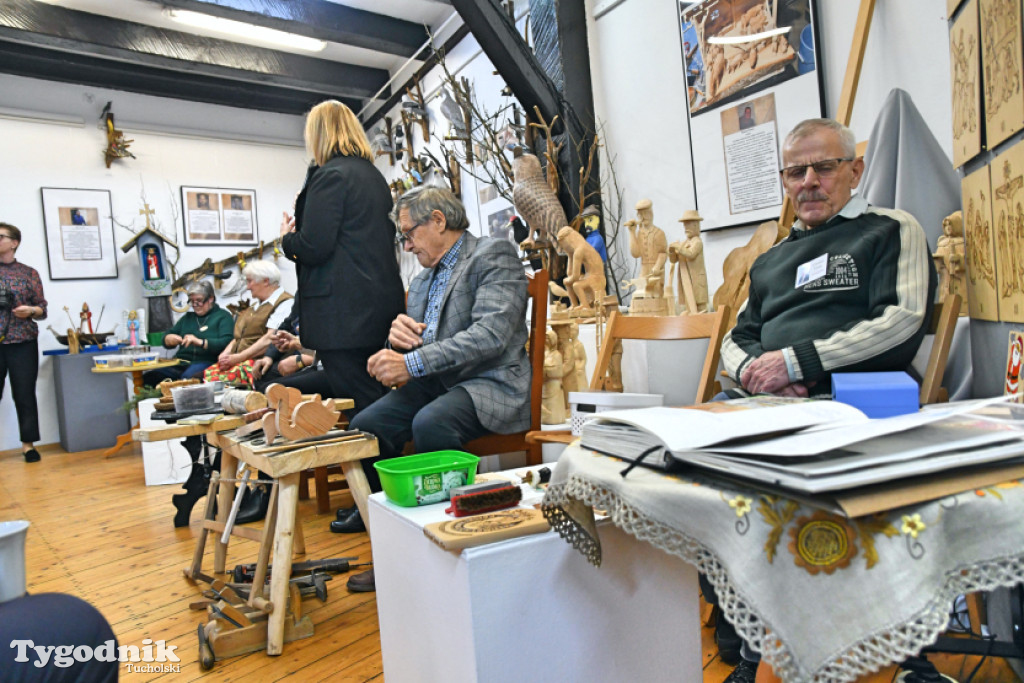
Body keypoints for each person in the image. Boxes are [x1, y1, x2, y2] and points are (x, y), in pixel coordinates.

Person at [715, 118, 935, 682]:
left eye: (824, 167)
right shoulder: (769, 260)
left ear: (855, 171)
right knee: (702, 474)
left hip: (854, 403)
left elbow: (903, 321)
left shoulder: (888, 230)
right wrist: (759, 376)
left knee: (809, 490)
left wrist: (795, 363)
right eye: (796, 171)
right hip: (768, 404)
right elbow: (734, 344)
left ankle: (903, 654)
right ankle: (752, 641)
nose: (809, 181)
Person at [341, 186, 531, 592]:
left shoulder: (493, 255)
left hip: (489, 381)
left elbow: (490, 336)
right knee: (366, 428)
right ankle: (397, 551)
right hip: (440, 382)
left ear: (439, 221)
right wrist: (398, 339)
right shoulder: (425, 276)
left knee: (430, 423)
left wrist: (410, 362)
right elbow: (422, 342)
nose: (406, 245)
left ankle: (454, 548)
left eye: (408, 234)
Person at [279, 100, 403, 415]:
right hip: (377, 306)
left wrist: (286, 238)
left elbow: (314, 246)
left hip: (343, 315)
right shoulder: (372, 176)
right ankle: (383, 462)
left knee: (361, 404)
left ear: (319, 134)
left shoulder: (329, 175)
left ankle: (382, 464)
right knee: (374, 394)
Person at [202, 260, 293, 388]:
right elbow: (238, 338)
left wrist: (239, 357)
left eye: (250, 281)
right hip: (241, 359)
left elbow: (270, 339)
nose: (248, 287)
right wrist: (225, 354)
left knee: (217, 382)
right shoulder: (256, 306)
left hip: (260, 361)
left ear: (266, 281)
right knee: (205, 375)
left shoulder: (285, 303)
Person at [0, 222, 47, 463]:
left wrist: (31, 310)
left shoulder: (29, 273)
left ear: (14, 243)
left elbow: (42, 308)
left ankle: (28, 445)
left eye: (0, 237)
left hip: (23, 342)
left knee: (24, 393)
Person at [143, 280, 233, 386]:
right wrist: (168, 339)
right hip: (181, 363)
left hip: (207, 362)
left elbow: (227, 342)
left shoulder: (223, 317)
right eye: (192, 301)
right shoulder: (187, 318)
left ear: (211, 299)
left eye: (199, 300)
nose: (195, 305)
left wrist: (200, 342)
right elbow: (166, 338)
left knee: (188, 379)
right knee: (149, 377)